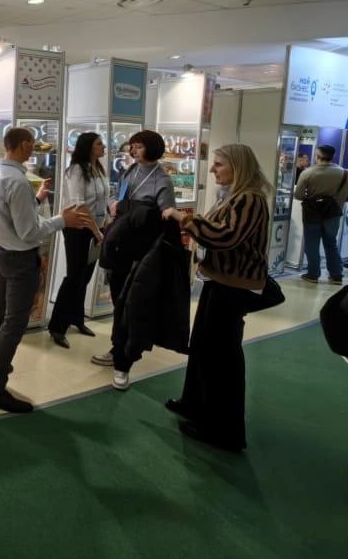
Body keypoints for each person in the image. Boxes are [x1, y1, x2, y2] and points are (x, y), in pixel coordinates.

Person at [162, 144, 271, 452]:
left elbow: (225, 237)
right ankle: (195, 404)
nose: (213, 169)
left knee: (221, 356)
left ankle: (224, 430)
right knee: (202, 347)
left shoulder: (250, 199)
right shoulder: (235, 196)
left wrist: (184, 219)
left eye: (219, 164)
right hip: (219, 281)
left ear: (238, 166)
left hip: (233, 286)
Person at [0, 127, 91, 413]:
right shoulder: (17, 180)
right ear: (23, 145)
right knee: (14, 323)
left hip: (1, 251)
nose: (35, 149)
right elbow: (28, 231)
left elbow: (8, 213)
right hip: (19, 258)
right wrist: (62, 220)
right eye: (32, 144)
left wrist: (37, 199)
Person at [91, 129, 176, 390]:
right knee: (119, 298)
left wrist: (156, 213)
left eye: (139, 146)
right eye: (133, 146)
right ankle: (117, 347)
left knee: (134, 303)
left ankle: (123, 359)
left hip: (143, 249)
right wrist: (115, 203)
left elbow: (166, 212)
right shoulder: (130, 171)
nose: (133, 150)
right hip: (121, 245)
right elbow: (119, 195)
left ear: (152, 148)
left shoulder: (162, 178)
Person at [48, 132, 107, 348]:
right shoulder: (76, 171)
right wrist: (96, 231)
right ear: (88, 147)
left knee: (85, 276)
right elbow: (78, 205)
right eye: (99, 144)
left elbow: (101, 200)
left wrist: (104, 224)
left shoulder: (98, 169)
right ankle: (57, 326)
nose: (103, 147)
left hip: (96, 229)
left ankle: (76, 318)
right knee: (74, 276)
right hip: (78, 229)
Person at [294, 144, 348, 284]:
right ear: (333, 156)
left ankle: (313, 274)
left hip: (312, 213)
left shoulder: (308, 173)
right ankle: (336, 275)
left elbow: (298, 195)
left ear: (317, 156)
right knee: (331, 243)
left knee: (312, 243)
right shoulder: (344, 173)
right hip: (333, 213)